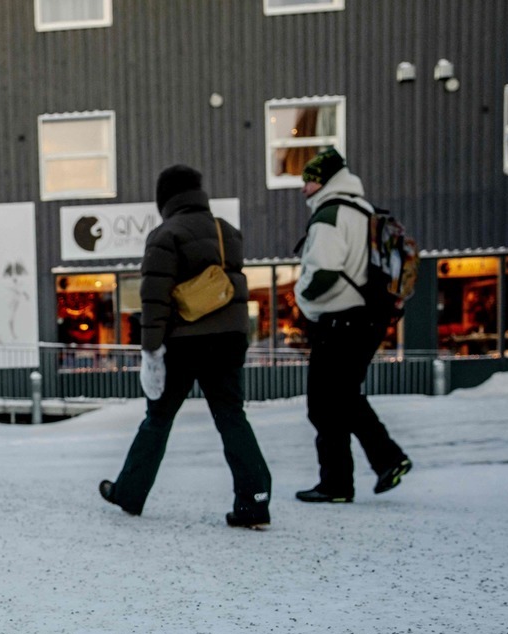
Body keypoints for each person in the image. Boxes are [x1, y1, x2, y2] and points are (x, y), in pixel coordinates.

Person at [99, 165, 273, 528]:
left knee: (158, 420)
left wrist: (150, 351)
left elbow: (155, 299)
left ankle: (130, 493)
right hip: (227, 340)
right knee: (231, 417)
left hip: (184, 341)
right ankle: (254, 499)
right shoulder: (227, 232)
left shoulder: (166, 234)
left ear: (165, 198)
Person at [292, 147, 411, 503]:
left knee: (324, 402)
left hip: (340, 320)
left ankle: (346, 479)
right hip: (369, 318)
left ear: (325, 181)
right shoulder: (365, 211)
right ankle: (365, 471)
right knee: (343, 397)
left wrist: (303, 300)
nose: (304, 188)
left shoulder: (331, 214)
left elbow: (324, 271)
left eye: (310, 180)